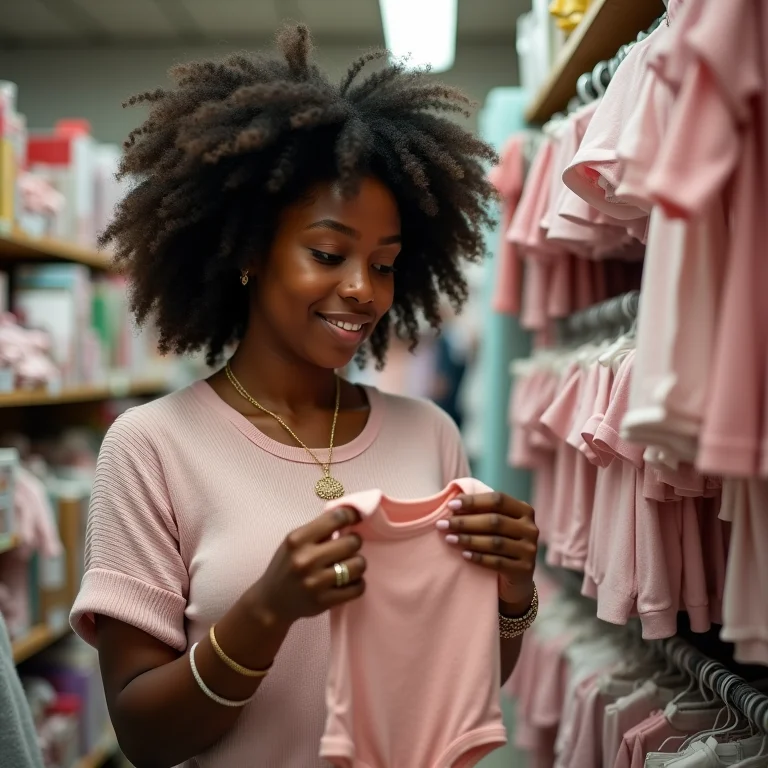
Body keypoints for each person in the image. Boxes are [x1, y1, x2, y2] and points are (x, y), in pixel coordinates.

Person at [70, 24, 539, 768]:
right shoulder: (150, 446)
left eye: (383, 264)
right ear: (251, 251)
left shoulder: (430, 434)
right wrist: (268, 609)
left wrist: (514, 596)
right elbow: (143, 735)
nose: (362, 290)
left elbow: (460, 690)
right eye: (328, 253)